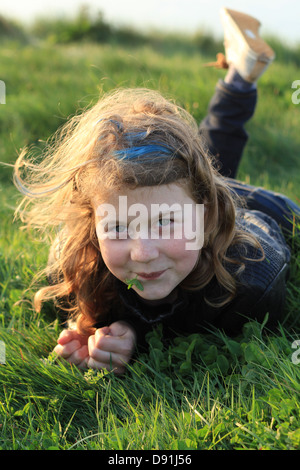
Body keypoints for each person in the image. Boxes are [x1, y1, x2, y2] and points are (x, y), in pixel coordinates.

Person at [13, 8, 298, 374]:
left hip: (257, 211)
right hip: (192, 196)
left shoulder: (256, 276)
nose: (143, 253)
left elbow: (196, 323)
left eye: (165, 223)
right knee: (198, 171)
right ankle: (241, 73)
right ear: (91, 224)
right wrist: (90, 324)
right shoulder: (73, 263)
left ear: (206, 217)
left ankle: (240, 79)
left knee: (215, 175)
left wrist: (138, 334)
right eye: (117, 228)